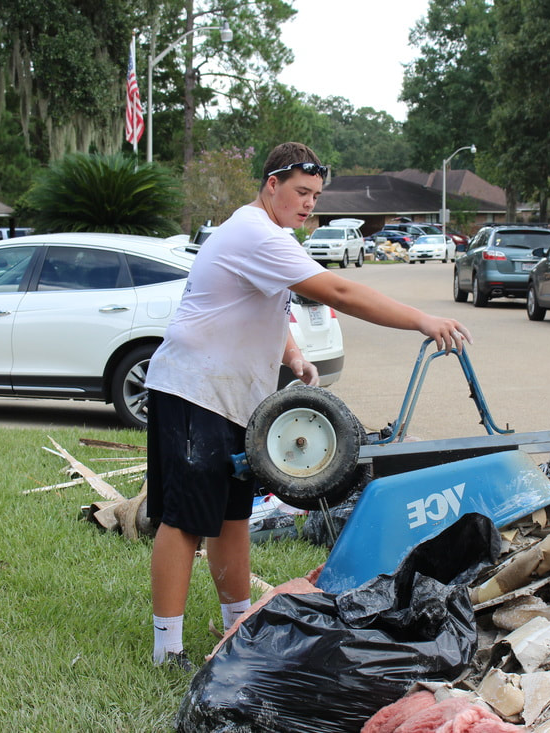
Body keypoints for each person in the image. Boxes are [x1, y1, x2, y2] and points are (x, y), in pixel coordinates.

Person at [144, 142, 471, 669]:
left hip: (233, 398)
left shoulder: (265, 235)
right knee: (184, 521)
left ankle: (238, 628)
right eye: (300, 192)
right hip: (193, 389)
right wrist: (422, 319)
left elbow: (253, 305)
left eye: (315, 196)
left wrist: (292, 353)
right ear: (271, 184)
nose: (307, 205)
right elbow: (338, 289)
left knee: (232, 517)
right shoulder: (253, 232)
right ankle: (168, 649)